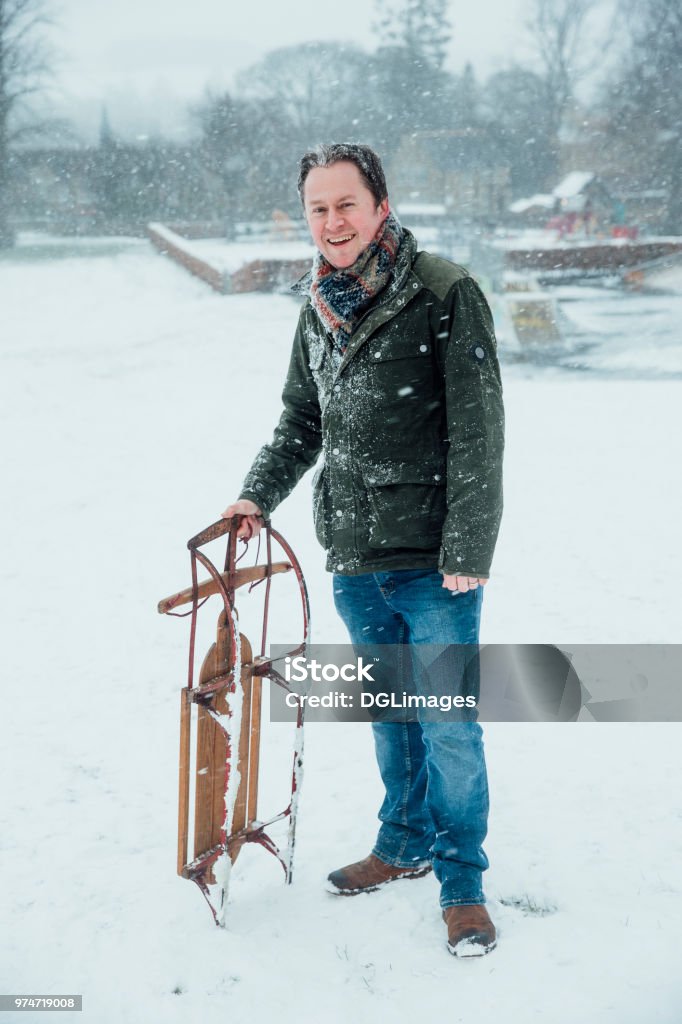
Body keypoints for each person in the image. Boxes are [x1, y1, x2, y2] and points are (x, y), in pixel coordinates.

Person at [222, 143, 504, 958]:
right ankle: (404, 842)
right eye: (318, 208)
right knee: (391, 714)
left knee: (449, 725)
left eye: (347, 204)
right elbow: (299, 422)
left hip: (433, 561)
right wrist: (255, 494)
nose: (333, 222)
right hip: (353, 555)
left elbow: (480, 434)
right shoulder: (317, 306)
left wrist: (468, 546)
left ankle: (462, 883)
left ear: (381, 206)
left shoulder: (445, 292)